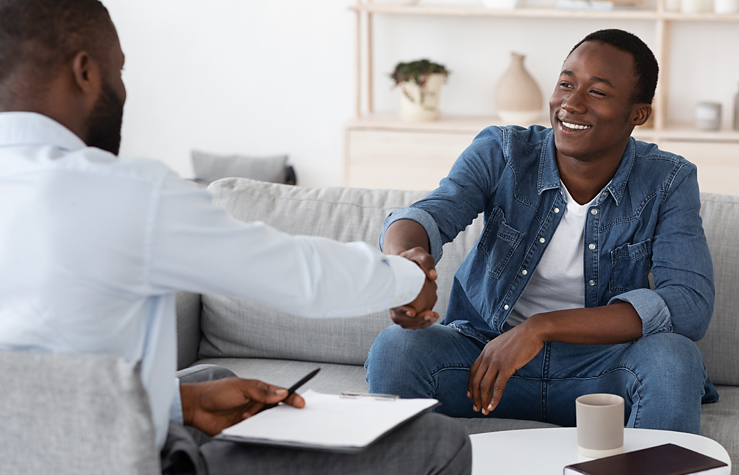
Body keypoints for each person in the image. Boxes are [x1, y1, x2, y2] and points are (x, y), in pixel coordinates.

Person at [0, 0, 471, 474]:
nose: (122, 89)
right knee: (440, 442)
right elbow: (296, 275)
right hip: (119, 461)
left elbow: (34, 389)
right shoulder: (124, 193)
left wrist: (180, 402)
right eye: (117, 70)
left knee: (214, 380)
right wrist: (408, 277)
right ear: (84, 72)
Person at [366, 29, 718, 435]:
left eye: (597, 92)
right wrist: (404, 263)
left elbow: (688, 305)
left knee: (675, 358)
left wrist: (541, 327)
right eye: (566, 84)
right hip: (485, 362)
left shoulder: (668, 180)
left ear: (637, 114)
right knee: (396, 347)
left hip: (600, 371)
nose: (571, 103)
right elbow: (428, 215)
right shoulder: (503, 152)